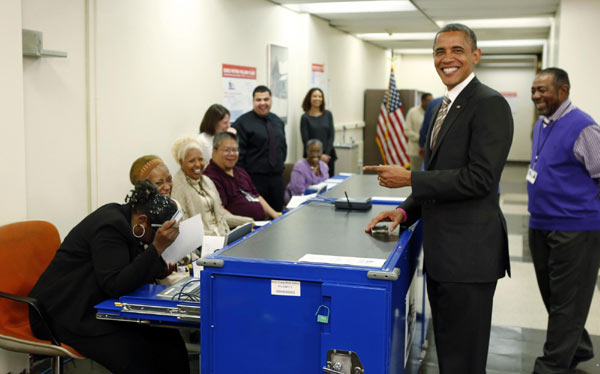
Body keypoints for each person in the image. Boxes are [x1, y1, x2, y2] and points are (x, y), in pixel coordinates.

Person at [364, 23, 513, 373]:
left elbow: (479, 179)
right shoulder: (441, 107)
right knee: (450, 354)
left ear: (476, 55)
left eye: (457, 50)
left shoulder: (489, 105)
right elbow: (440, 174)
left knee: (463, 360)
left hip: (470, 258)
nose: (447, 58)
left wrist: (409, 178)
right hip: (445, 256)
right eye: (439, 51)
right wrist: (403, 212)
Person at [28, 181, 189, 374]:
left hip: (94, 302)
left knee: (169, 340)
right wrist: (157, 248)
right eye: (157, 235)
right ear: (143, 220)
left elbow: (127, 268)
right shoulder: (110, 227)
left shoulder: (128, 220)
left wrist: (156, 268)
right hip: (62, 312)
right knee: (136, 355)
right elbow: (115, 284)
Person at [527, 67, 600, 374]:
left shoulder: (583, 127)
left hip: (575, 228)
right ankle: (579, 346)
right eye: (534, 90)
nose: (536, 96)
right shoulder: (542, 125)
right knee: (554, 296)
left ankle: (551, 366)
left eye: (543, 90)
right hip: (541, 224)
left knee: (567, 301)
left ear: (563, 90)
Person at [170, 137, 251, 237]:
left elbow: (221, 216)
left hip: (223, 235)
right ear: (181, 162)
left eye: (200, 159)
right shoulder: (177, 187)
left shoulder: (207, 181)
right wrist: (211, 237)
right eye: (191, 161)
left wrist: (247, 221)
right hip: (202, 242)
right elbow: (184, 226)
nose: (198, 164)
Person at [233, 85, 287, 212]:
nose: (262, 103)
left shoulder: (278, 121)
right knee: (258, 217)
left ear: (271, 100)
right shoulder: (242, 123)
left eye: (266, 99)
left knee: (278, 216)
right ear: (253, 101)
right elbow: (238, 158)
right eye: (258, 100)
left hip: (277, 179)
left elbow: (282, 147)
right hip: (254, 181)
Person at [204, 131, 280, 221]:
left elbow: (256, 196)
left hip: (261, 223)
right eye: (227, 150)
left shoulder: (240, 171)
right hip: (241, 229)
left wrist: (275, 215)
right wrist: (242, 224)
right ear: (214, 151)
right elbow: (220, 209)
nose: (232, 154)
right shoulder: (210, 177)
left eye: (235, 150)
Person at [300, 88, 337, 175]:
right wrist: (319, 155)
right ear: (309, 98)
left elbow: (331, 136)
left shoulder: (328, 114)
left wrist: (326, 154)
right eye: (315, 96)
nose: (317, 98)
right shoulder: (305, 117)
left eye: (320, 96)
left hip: (328, 156)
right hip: (312, 157)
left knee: (330, 184)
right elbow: (306, 140)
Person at [284, 139, 329, 203]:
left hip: (316, 199)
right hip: (297, 199)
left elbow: (326, 185)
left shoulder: (324, 166)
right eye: (312, 152)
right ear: (307, 152)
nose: (315, 155)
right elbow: (298, 191)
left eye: (318, 152)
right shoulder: (300, 166)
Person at [197, 104, 236, 169]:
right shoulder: (202, 140)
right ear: (214, 123)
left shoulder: (222, 137)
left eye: (229, 122)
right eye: (225, 123)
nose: (228, 126)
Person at [405, 92, 432, 171]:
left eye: (431, 100)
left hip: (429, 151)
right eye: (428, 100)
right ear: (422, 101)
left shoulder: (433, 111)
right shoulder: (412, 112)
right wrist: (422, 139)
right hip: (415, 150)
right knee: (415, 174)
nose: (430, 103)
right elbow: (407, 130)